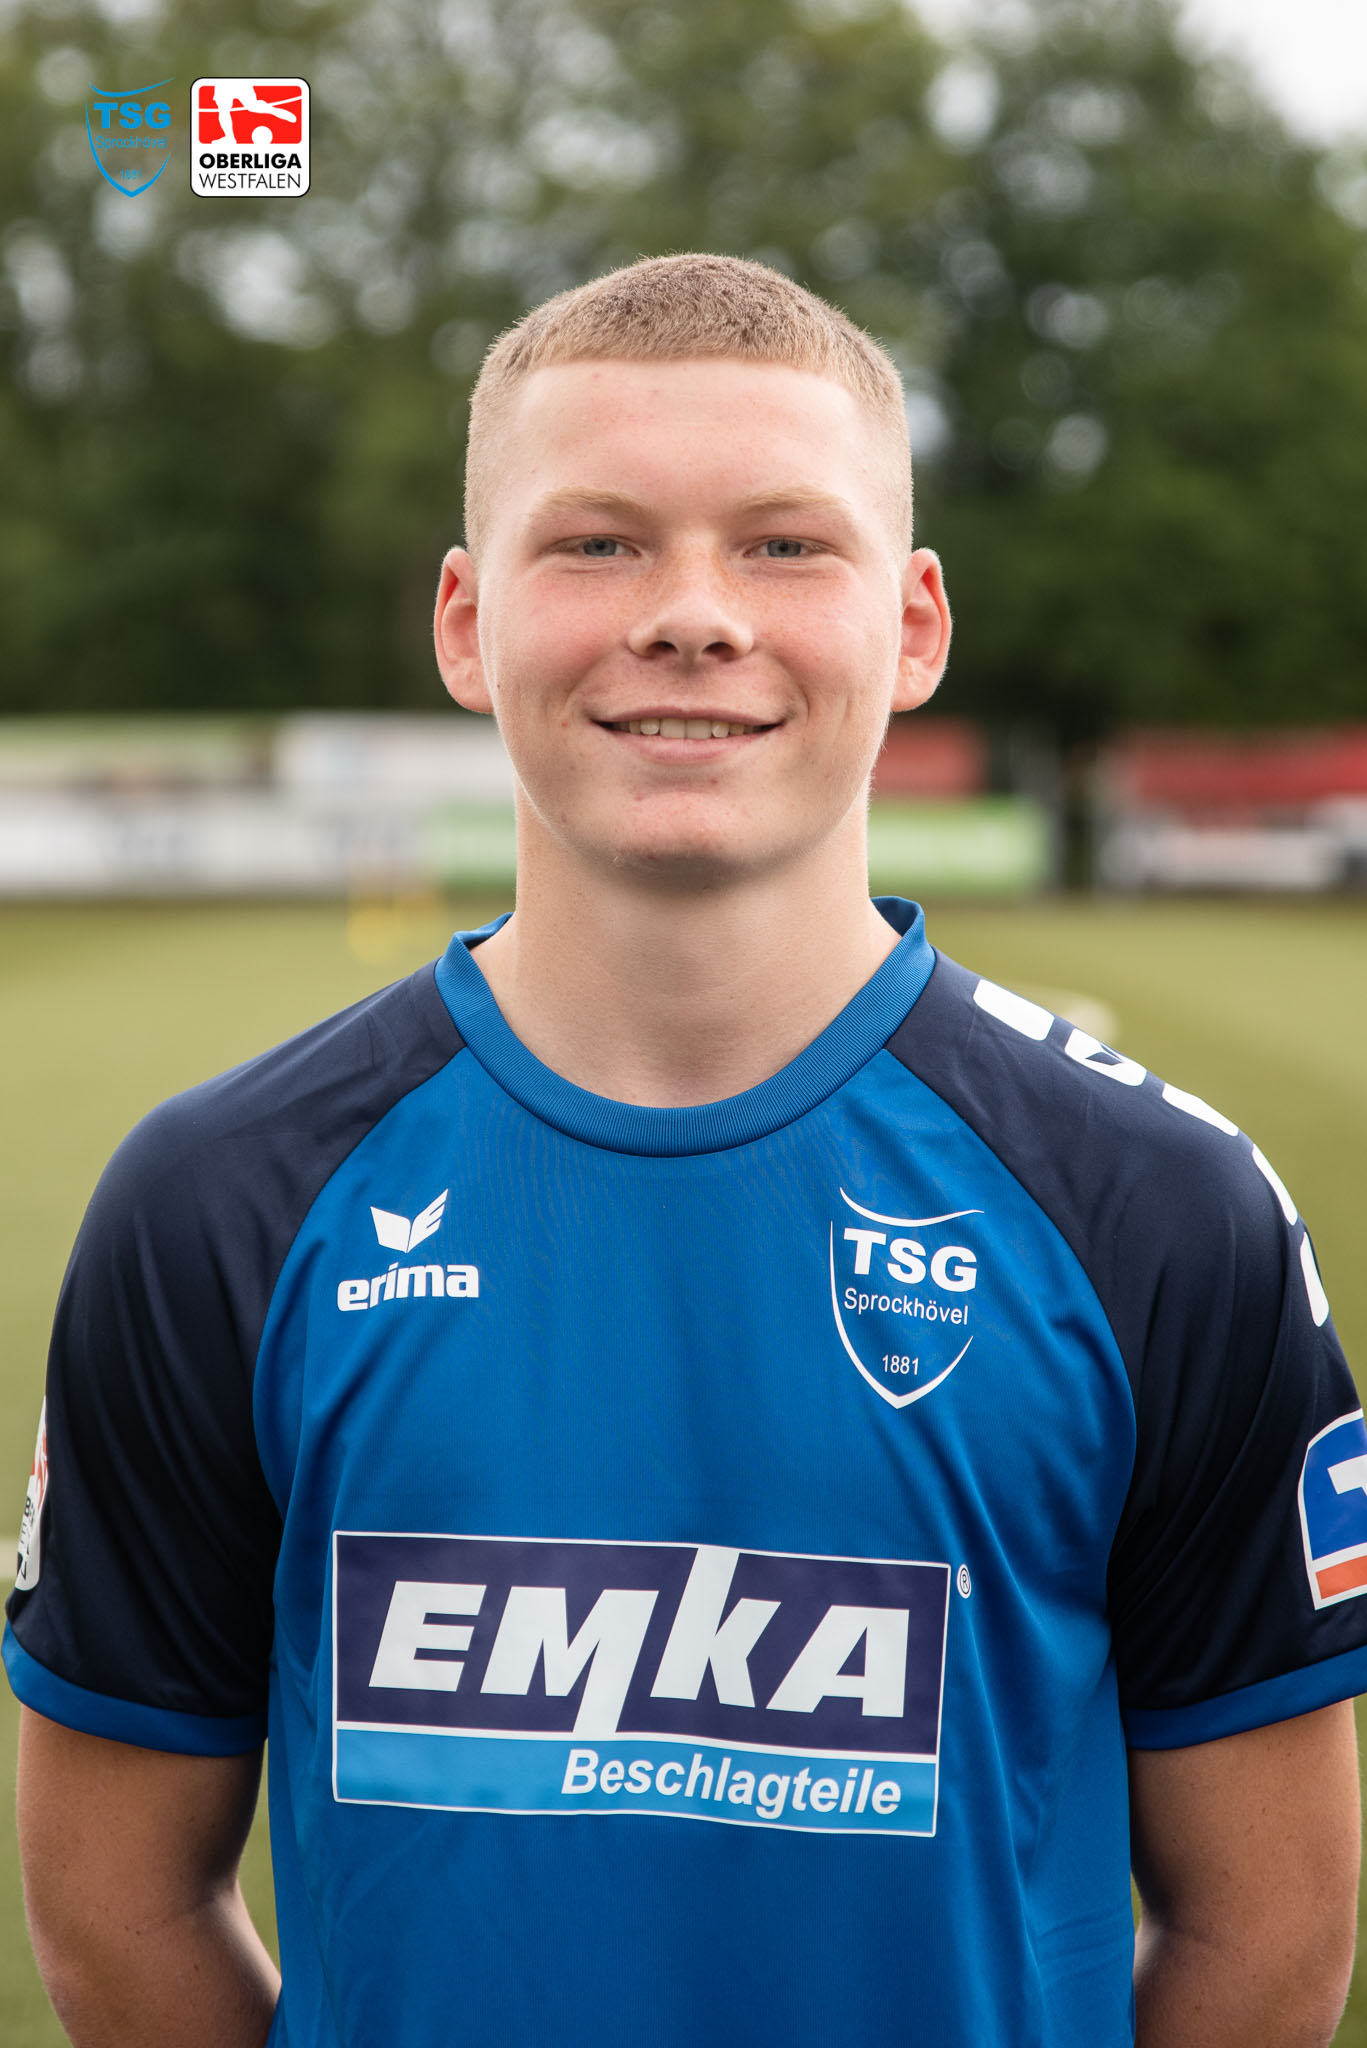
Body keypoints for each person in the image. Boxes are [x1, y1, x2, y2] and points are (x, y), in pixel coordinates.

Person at [6, 253, 1365, 2048]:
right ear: (464, 622)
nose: (695, 616)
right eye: (598, 543)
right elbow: (117, 1909)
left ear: (916, 625)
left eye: (787, 544)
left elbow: (1266, 1933)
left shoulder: (1168, 1215)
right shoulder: (215, 1208)